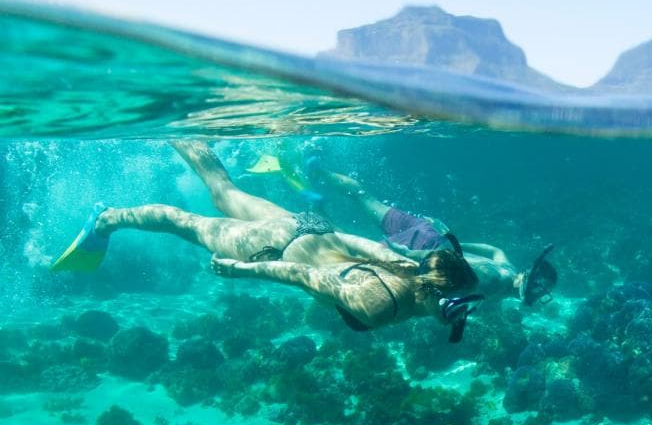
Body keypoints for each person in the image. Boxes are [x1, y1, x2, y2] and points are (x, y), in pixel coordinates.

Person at [51, 141, 484, 342]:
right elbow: (302, 276)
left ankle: (185, 131)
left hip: (306, 225)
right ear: (438, 295)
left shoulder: (412, 269)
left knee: (224, 193)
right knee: (184, 223)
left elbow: (357, 243)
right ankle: (106, 219)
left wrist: (317, 228)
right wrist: (245, 269)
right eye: (459, 305)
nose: (461, 314)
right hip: (273, 248)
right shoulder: (378, 302)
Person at [263, 152, 556, 306]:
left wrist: (453, 237)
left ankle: (318, 171)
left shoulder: (506, 267)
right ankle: (315, 206)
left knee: (365, 197)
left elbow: (495, 250)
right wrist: (407, 255)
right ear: (528, 282)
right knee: (344, 243)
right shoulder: (493, 284)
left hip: (431, 234)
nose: (541, 297)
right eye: (542, 292)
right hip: (421, 250)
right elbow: (448, 271)